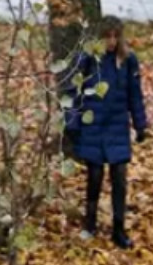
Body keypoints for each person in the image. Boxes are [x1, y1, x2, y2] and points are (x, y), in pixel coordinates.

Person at [63, 16, 148, 250]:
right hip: (93, 127)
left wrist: (140, 125)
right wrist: (72, 125)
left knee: (119, 178)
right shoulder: (87, 59)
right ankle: (89, 224)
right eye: (107, 36)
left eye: (115, 36)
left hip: (118, 127)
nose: (111, 41)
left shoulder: (128, 60)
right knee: (95, 177)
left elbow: (135, 95)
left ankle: (118, 229)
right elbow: (72, 92)